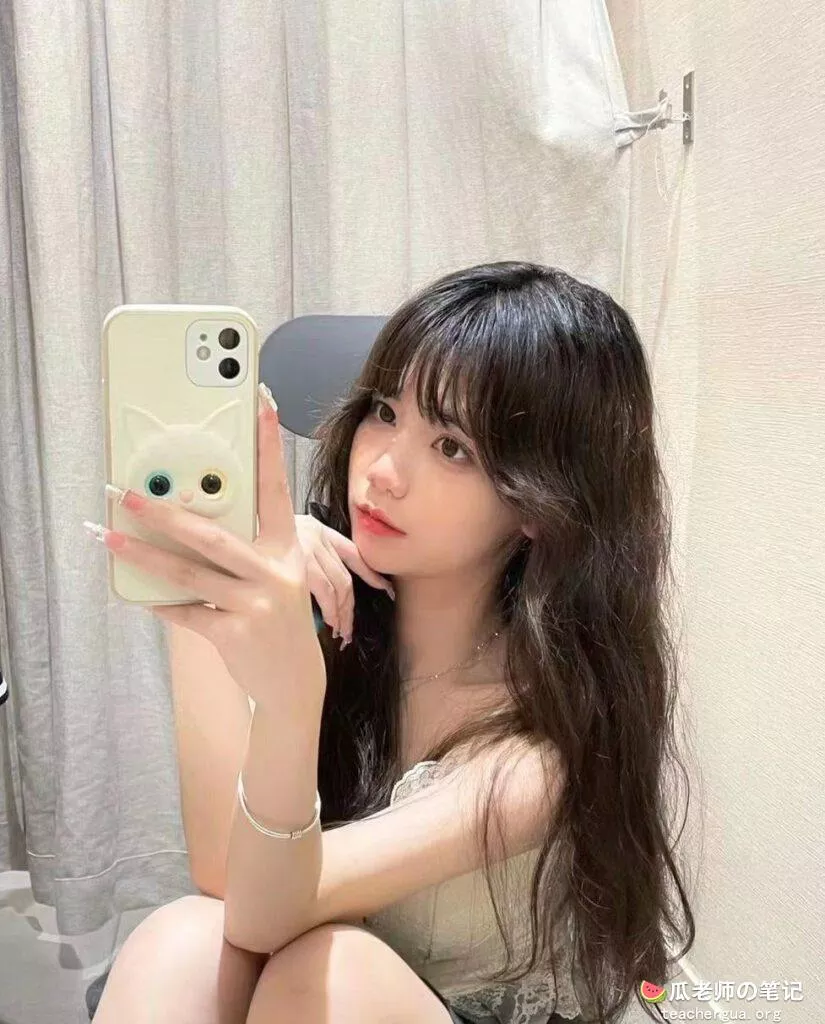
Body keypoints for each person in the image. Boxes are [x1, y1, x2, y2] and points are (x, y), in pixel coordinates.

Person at [92, 261, 695, 1024]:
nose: (381, 470)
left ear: (539, 505)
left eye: (451, 448)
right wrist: (206, 588)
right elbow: (221, 877)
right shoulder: (331, 619)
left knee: (326, 970)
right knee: (181, 939)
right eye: (384, 411)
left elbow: (263, 914)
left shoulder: (543, 745)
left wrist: (287, 699)